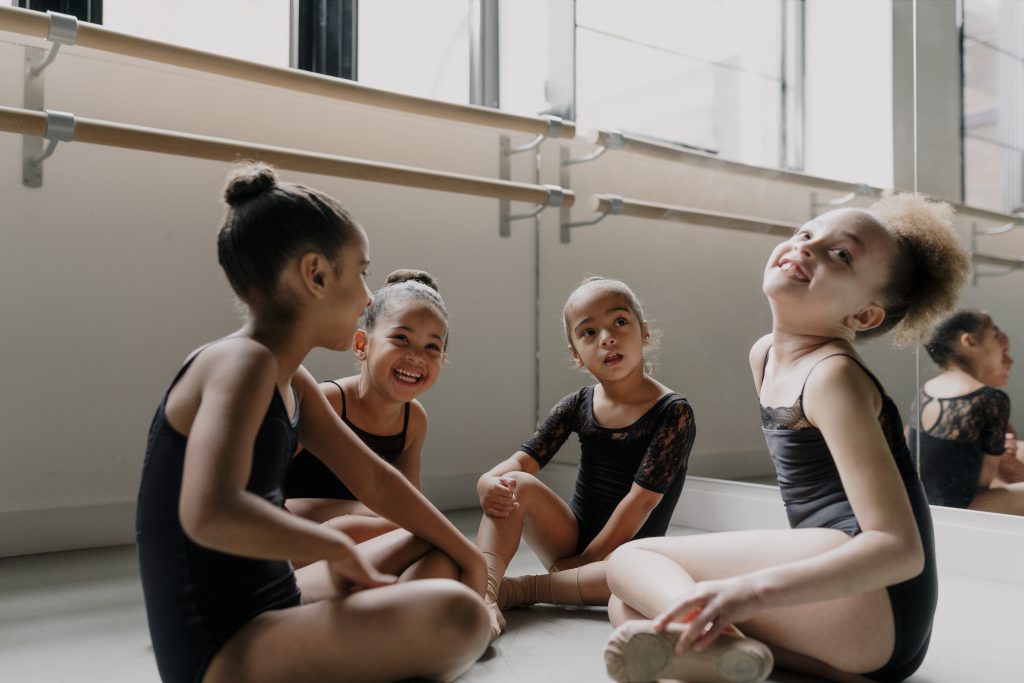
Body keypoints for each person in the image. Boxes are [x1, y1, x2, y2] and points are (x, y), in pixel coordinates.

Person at [135, 163, 489, 683]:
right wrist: (335, 547)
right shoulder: (241, 363)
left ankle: (381, 636)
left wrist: (471, 555)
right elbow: (209, 511)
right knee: (459, 617)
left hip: (279, 597)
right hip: (222, 648)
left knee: (438, 547)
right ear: (316, 275)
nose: (370, 296)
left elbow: (375, 479)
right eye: (362, 272)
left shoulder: (290, 377)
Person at [603, 193, 971, 683]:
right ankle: (734, 655)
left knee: (633, 558)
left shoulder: (832, 377)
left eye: (841, 255)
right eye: (806, 234)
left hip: (879, 600)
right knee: (626, 607)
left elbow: (899, 549)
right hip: (867, 637)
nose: (808, 248)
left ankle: (710, 629)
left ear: (863, 316)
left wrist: (749, 592)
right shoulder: (766, 354)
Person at [476, 276, 696, 639]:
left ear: (644, 333)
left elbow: (640, 504)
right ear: (577, 354)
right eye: (589, 332)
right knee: (515, 485)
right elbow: (522, 462)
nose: (606, 337)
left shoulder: (673, 413)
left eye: (619, 322)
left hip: (625, 550)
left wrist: (585, 562)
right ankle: (483, 591)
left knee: (628, 579)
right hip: (570, 540)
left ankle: (523, 589)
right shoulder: (577, 404)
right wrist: (487, 481)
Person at [283, 269, 449, 543]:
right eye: (401, 338)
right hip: (289, 516)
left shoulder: (413, 419)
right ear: (362, 344)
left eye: (432, 346)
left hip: (361, 524)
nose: (417, 356)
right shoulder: (329, 400)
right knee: (395, 521)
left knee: (417, 530)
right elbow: (260, 487)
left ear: (441, 361)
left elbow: (411, 500)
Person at [911, 309, 1024, 514]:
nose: (1000, 343)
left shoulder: (927, 390)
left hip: (924, 506)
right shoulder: (989, 398)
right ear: (969, 342)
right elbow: (985, 479)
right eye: (994, 335)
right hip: (962, 508)